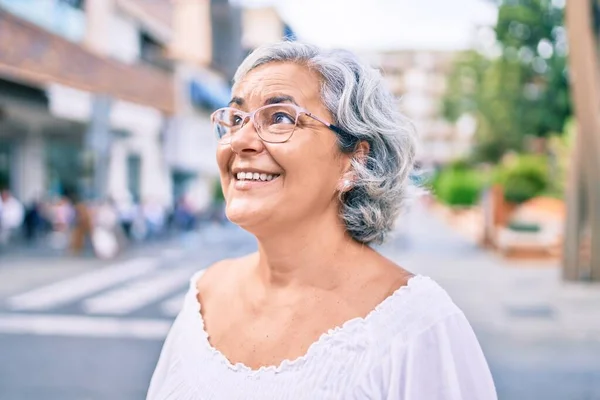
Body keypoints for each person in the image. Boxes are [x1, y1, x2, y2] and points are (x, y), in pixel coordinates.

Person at [147, 42, 497, 400]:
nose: (240, 141)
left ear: (352, 162)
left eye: (280, 117)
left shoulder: (416, 325)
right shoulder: (203, 295)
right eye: (236, 119)